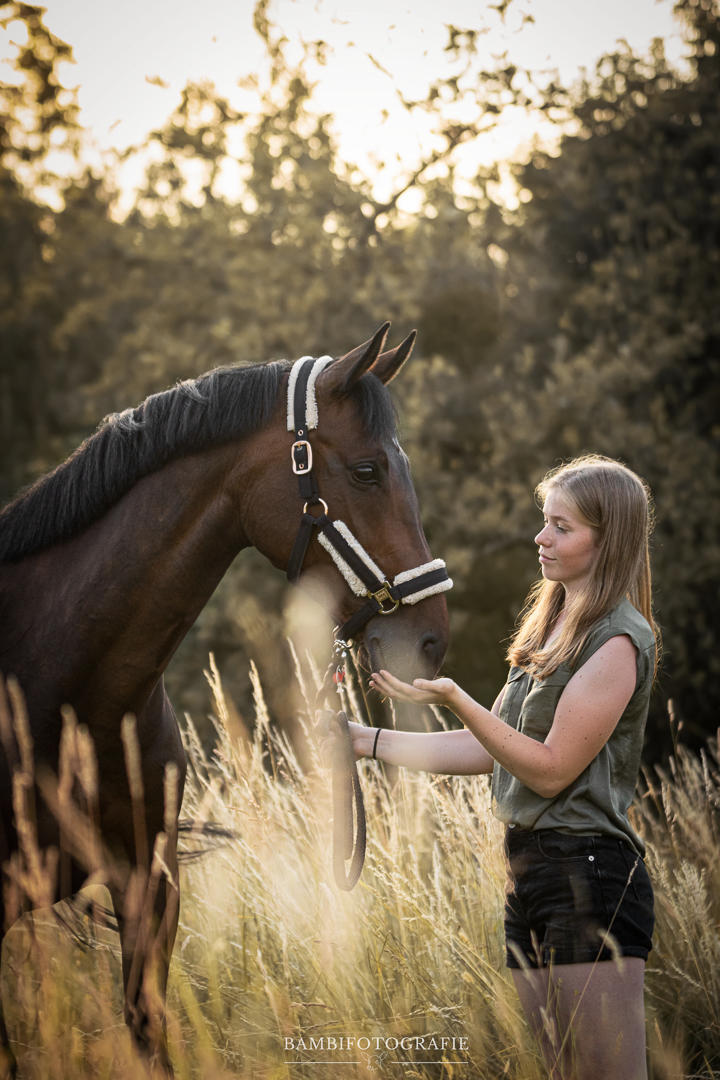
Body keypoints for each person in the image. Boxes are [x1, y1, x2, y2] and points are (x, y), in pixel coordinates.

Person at [348, 454, 659, 1080]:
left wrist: (457, 699)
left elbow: (549, 771)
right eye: (545, 522)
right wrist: (363, 740)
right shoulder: (552, 629)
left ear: (608, 540)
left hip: (589, 874)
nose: (541, 537)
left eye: (562, 527)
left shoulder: (618, 643)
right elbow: (485, 749)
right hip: (530, 876)